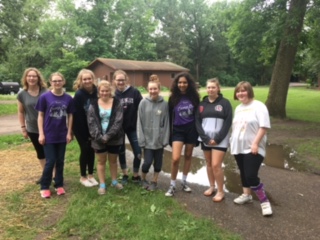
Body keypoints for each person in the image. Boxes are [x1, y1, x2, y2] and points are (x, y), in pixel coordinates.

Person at [230, 81, 273, 216]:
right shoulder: (238, 108)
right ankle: (246, 195)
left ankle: (264, 201)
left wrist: (255, 143)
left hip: (253, 147)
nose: (240, 93)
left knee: (250, 175)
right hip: (239, 146)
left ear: (249, 91)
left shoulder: (259, 106)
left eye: (243, 90)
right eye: (238, 91)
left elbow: (264, 126)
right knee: (243, 172)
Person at [36, 72, 74, 198]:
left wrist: (69, 132)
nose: (57, 83)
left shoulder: (68, 98)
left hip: (62, 134)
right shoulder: (45, 97)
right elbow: (40, 116)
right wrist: (41, 134)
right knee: (50, 161)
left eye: (59, 81)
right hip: (49, 135)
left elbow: (70, 115)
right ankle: (45, 186)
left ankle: (59, 184)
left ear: (63, 82)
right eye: (54, 81)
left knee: (60, 161)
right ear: (50, 82)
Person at [195, 78, 232, 202]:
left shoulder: (225, 103)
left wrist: (217, 138)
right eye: (209, 87)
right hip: (205, 139)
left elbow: (228, 122)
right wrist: (205, 138)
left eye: (213, 87)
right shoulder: (202, 104)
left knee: (216, 165)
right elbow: (198, 122)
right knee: (209, 163)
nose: (211, 89)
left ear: (218, 88)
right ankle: (212, 187)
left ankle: (221, 191)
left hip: (220, 140)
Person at [165, 72, 200, 197]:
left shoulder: (194, 98)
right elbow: (169, 116)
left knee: (188, 155)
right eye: (180, 82)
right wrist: (168, 133)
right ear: (176, 84)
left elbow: (198, 115)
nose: (182, 85)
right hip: (178, 130)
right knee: (175, 159)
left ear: (189, 83)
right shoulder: (173, 98)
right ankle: (172, 185)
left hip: (191, 130)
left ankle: (184, 182)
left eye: (184, 82)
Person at [87, 80, 124, 195]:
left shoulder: (117, 103)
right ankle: (102, 185)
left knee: (113, 161)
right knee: (101, 161)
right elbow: (91, 122)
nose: (104, 93)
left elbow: (118, 122)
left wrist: (108, 136)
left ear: (110, 91)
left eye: (107, 90)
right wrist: (100, 137)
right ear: (99, 91)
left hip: (114, 137)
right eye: (102, 91)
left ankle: (114, 181)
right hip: (98, 139)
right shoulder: (93, 104)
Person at [137, 75, 170, 191]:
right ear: (148, 90)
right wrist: (141, 139)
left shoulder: (164, 104)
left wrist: (165, 139)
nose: (153, 91)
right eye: (151, 89)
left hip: (159, 140)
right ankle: (143, 178)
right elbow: (139, 122)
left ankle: (154, 181)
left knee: (158, 163)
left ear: (159, 89)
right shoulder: (143, 103)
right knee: (147, 162)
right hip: (147, 140)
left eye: (155, 89)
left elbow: (166, 123)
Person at [17, 68, 47, 184]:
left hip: (47, 127)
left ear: (38, 78)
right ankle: (45, 174)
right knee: (40, 152)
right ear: (26, 78)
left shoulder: (45, 91)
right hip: (33, 128)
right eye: (29, 76)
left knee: (50, 152)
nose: (32, 78)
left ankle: (54, 175)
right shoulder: (22, 94)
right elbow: (20, 112)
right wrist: (23, 128)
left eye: (34, 76)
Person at [114, 70, 143, 184]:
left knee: (138, 152)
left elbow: (141, 108)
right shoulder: (113, 94)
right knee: (121, 152)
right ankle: (125, 174)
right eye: (118, 80)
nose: (120, 82)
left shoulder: (134, 92)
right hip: (119, 129)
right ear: (114, 81)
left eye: (122, 80)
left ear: (126, 80)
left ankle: (136, 175)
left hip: (133, 127)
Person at [72, 69, 99, 187]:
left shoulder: (97, 92)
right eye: (85, 79)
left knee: (92, 150)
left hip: (94, 127)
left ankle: (91, 175)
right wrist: (86, 133)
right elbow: (76, 115)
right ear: (81, 81)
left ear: (93, 79)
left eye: (89, 78)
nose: (87, 81)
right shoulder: (79, 94)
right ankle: (83, 177)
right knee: (84, 149)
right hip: (80, 127)